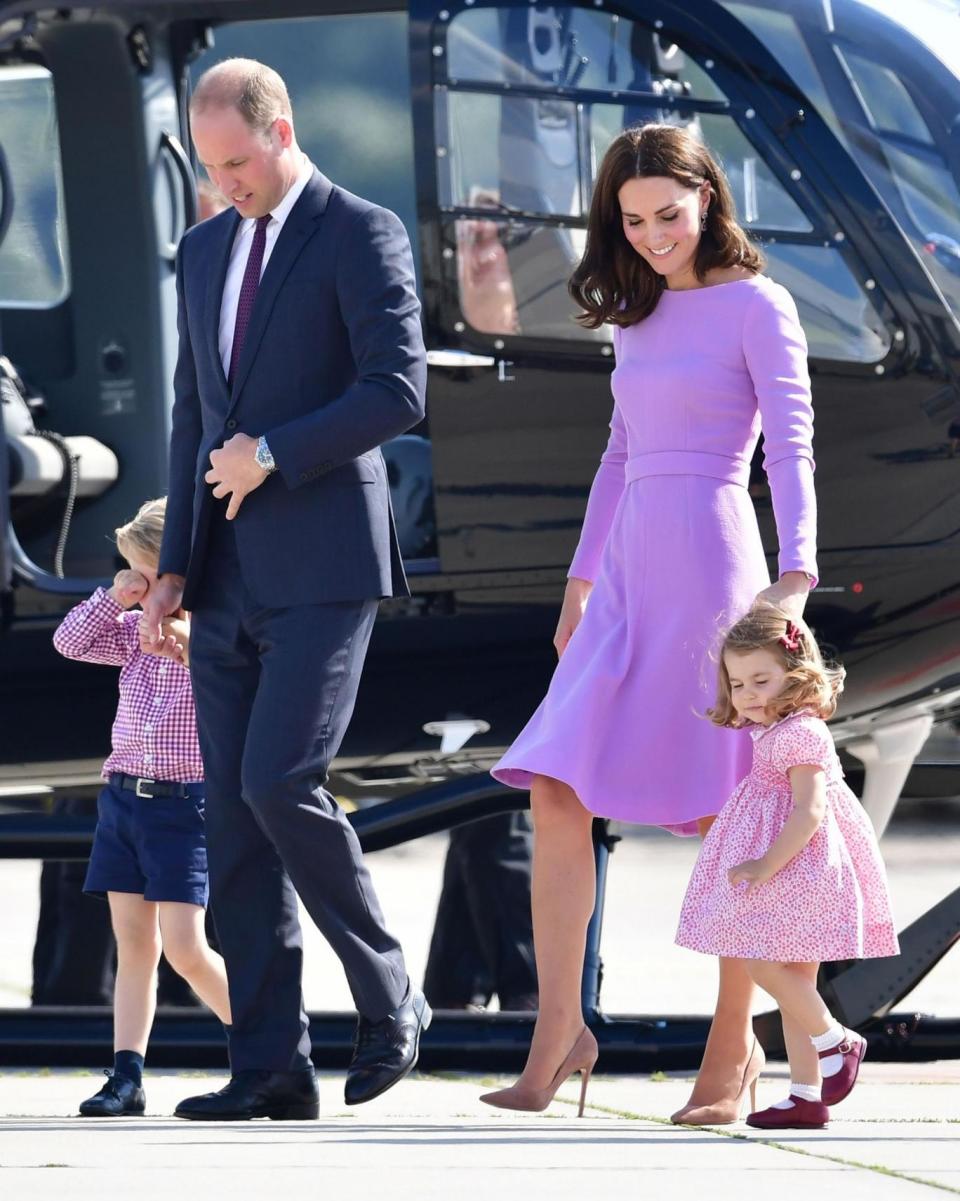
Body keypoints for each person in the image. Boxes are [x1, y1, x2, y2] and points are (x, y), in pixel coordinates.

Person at [483, 122, 818, 1120]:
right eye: (632, 222)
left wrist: (794, 580)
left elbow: (792, 450)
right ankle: (559, 1025)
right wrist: (579, 582)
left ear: (708, 198)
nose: (653, 236)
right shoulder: (636, 315)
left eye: (668, 215)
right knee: (554, 784)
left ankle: (732, 1047)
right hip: (628, 572)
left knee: (730, 812)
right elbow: (621, 454)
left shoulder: (761, 305)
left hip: (718, 569)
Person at [140, 58, 429, 1121]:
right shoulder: (203, 245)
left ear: (282, 128)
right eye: (210, 172)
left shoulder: (359, 231)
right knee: (234, 822)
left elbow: (398, 387)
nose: (226, 188)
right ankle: (270, 1065)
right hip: (221, 572)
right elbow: (192, 416)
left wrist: (277, 451)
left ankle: (390, 988)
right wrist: (173, 563)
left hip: (324, 561)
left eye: (237, 165)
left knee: (278, 779)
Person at [676, 606, 899, 1129]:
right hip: (793, 864)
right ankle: (806, 1094)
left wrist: (765, 863)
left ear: (794, 674)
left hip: (803, 864)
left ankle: (837, 1041)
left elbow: (810, 809)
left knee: (763, 962)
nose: (750, 694)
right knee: (795, 976)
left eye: (762, 679)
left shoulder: (802, 733)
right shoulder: (776, 732)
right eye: (738, 683)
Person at [52, 497, 231, 1116]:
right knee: (134, 945)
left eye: (148, 575)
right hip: (125, 800)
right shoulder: (130, 636)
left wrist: (189, 644)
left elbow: (234, 686)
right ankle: (126, 1075)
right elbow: (69, 642)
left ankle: (272, 1045)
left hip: (184, 806)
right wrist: (115, 596)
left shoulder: (211, 636)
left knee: (185, 947)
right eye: (133, 573)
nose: (141, 587)